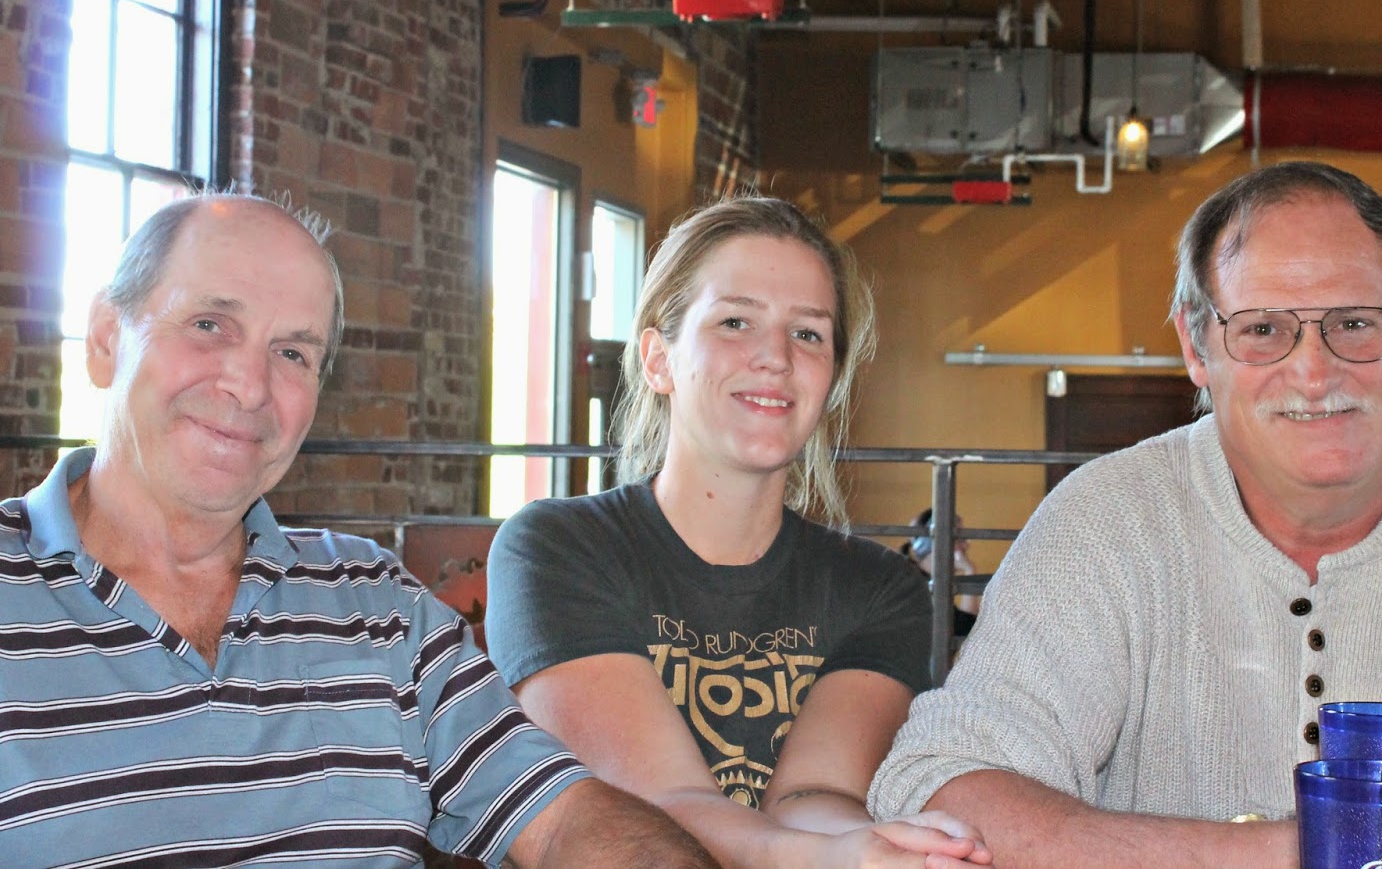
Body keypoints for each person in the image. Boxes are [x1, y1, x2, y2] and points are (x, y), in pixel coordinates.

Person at [868, 161, 1382, 866]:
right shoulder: (1103, 521)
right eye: (1263, 329)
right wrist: (1311, 853)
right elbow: (944, 787)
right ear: (1196, 345)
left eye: (1354, 323)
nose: (1313, 373)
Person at [0, 193, 716, 867]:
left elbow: (561, 819)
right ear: (105, 338)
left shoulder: (375, 603)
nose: (249, 385)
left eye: (293, 353)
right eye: (209, 325)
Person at [486, 197, 991, 868]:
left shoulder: (880, 588)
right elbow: (659, 802)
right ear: (658, 360)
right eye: (735, 321)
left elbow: (814, 794)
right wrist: (825, 861)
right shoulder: (556, 548)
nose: (776, 357)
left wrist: (883, 848)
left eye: (807, 333)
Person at [901, 508, 981, 637]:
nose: (966, 545)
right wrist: (969, 571)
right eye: (959, 539)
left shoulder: (928, 581)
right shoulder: (916, 586)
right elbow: (965, 631)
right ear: (933, 545)